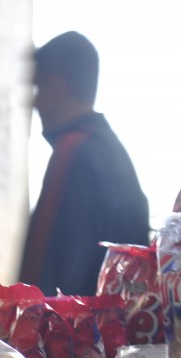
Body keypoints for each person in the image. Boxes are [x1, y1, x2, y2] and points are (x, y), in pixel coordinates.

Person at [18, 31, 150, 296]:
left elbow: (38, 282)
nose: (34, 101)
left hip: (73, 333)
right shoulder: (114, 153)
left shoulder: (72, 150)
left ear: (60, 84)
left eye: (40, 85)